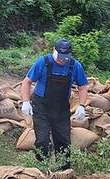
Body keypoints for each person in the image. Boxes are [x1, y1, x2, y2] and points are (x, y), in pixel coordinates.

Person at [20, 38, 89, 168]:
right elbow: (27, 82)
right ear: (53, 50)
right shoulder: (43, 62)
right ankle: (42, 168)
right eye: (59, 56)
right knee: (42, 141)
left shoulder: (74, 66)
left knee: (63, 142)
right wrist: (25, 102)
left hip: (61, 109)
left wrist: (81, 105)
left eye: (65, 57)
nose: (61, 60)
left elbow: (83, 86)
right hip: (42, 107)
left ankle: (64, 171)